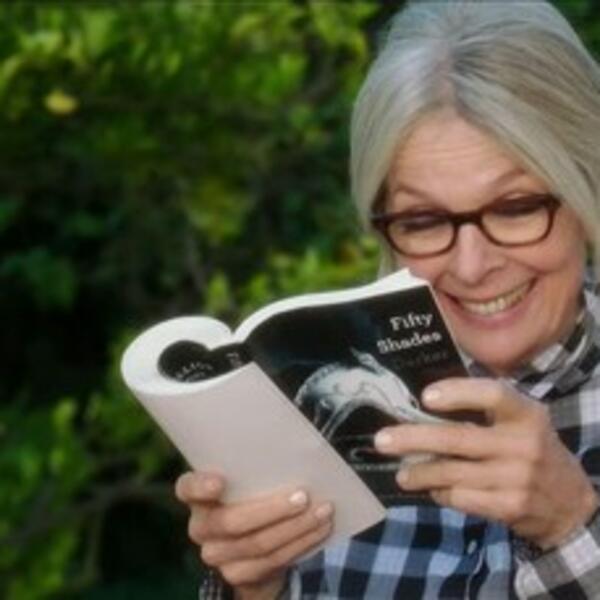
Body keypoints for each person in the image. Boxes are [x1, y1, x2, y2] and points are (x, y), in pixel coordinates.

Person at [175, 1, 600, 597]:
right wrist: (253, 585)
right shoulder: (317, 402)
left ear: (586, 189)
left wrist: (570, 527)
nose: (472, 266)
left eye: (516, 208)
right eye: (423, 221)